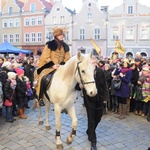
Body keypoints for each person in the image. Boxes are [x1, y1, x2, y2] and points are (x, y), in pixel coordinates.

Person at [34, 27, 70, 106]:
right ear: (56, 35)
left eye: (62, 34)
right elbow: (45, 56)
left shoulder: (65, 46)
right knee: (43, 77)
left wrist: (62, 65)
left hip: (61, 67)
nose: (62, 36)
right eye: (60, 35)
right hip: (50, 66)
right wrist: (53, 65)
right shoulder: (50, 44)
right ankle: (40, 97)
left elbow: (67, 58)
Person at [81, 56, 109, 150]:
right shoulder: (86, 72)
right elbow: (78, 85)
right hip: (89, 99)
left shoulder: (101, 72)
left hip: (100, 98)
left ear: (96, 63)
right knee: (91, 119)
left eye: (93, 63)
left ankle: (89, 131)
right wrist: (79, 86)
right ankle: (93, 141)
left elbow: (105, 85)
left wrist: (105, 98)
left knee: (98, 118)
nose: (92, 65)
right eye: (91, 63)